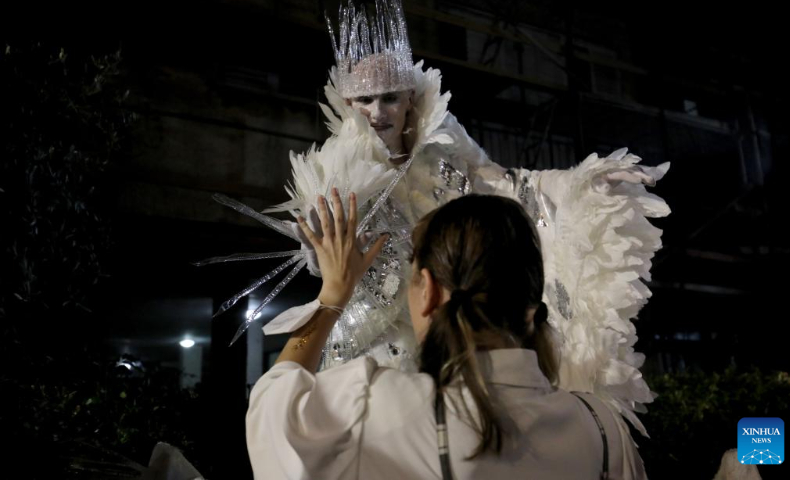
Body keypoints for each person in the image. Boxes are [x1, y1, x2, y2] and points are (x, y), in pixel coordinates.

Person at [208, 0, 669, 434]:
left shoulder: (443, 137)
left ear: (410, 97)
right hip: (373, 351)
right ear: (348, 106)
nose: (377, 112)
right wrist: (317, 251)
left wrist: (581, 185)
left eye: (389, 97)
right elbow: (326, 255)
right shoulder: (333, 173)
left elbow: (505, 182)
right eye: (364, 101)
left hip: (455, 336)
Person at [246, 191, 648, 479]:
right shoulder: (603, 428)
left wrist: (333, 295)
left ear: (429, 291)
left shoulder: (374, 408)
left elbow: (272, 404)